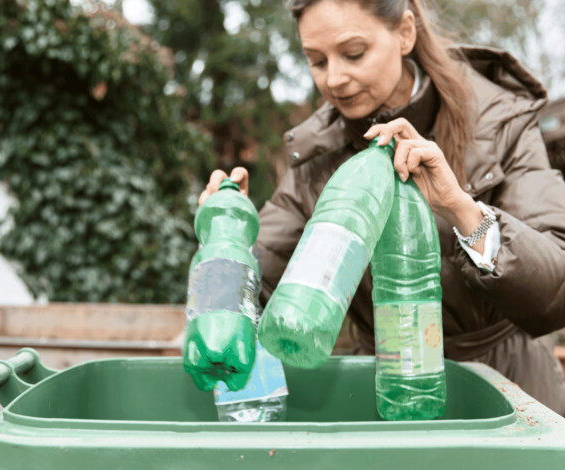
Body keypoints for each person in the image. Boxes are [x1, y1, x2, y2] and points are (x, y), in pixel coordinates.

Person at [199, 0, 565, 414]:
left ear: (405, 32)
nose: (335, 79)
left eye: (354, 54)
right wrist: (228, 241)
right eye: (317, 61)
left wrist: (463, 211)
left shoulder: (500, 123)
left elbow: (555, 292)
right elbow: (259, 293)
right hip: (385, 396)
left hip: (508, 396)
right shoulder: (316, 156)